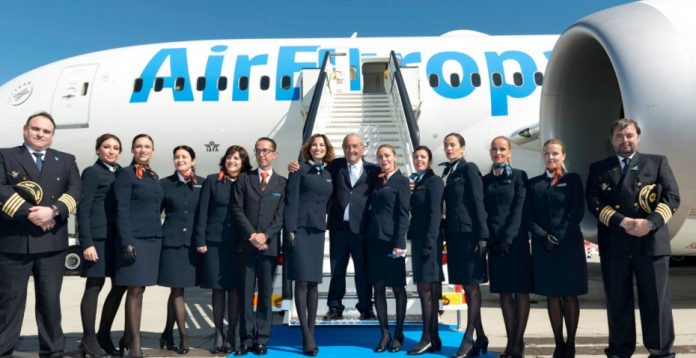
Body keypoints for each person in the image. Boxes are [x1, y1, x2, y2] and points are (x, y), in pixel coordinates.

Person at [586, 118, 679, 358]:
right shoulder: (599, 169)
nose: (624, 140)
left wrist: (650, 224)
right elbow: (594, 202)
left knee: (656, 304)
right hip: (615, 244)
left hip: (651, 243)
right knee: (618, 303)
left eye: (629, 135)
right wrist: (622, 221)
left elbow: (671, 197)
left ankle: (661, 352)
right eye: (619, 135)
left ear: (637, 137)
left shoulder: (657, 163)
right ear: (611, 139)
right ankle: (619, 350)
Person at [0, 112, 81, 358]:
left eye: (46, 131)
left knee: (50, 304)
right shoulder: (6, 155)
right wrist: (31, 214)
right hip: (14, 244)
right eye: (36, 129)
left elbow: (76, 190)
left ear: (52, 135)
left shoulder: (66, 160)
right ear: (25, 129)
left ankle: (52, 351)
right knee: (9, 304)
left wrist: (53, 211)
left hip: (51, 245)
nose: (40, 134)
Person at [526, 139, 587, 357]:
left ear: (563, 156)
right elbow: (528, 216)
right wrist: (543, 237)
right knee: (551, 296)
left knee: (570, 296)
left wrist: (558, 236)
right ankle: (558, 342)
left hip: (569, 246)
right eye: (547, 154)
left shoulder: (573, 180)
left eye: (555, 154)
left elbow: (577, 211)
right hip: (545, 248)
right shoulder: (533, 184)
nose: (550, 158)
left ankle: (570, 343)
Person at [232, 137, 287, 355]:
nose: (262, 154)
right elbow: (236, 209)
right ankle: (246, 338)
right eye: (258, 151)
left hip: (269, 247)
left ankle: (262, 338)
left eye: (266, 150)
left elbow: (281, 216)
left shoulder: (283, 183)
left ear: (274, 154)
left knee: (265, 294)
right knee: (246, 293)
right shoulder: (244, 180)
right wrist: (252, 235)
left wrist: (265, 236)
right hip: (247, 246)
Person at [194, 145, 251, 354]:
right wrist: (200, 239)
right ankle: (218, 332)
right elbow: (203, 212)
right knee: (217, 288)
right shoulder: (212, 180)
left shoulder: (248, 181)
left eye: (236, 158)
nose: (232, 161)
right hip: (215, 241)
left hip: (239, 243)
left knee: (235, 289)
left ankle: (231, 334)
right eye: (229, 158)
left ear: (243, 162)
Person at [77, 133, 128, 357]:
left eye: (115, 147)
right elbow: (83, 208)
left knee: (120, 286)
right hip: (97, 239)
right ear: (98, 149)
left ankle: (103, 335)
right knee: (94, 286)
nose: (111, 150)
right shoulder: (92, 172)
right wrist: (86, 242)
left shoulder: (121, 173)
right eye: (106, 147)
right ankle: (88, 339)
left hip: (116, 240)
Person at [113, 134, 164, 358]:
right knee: (134, 290)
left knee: (140, 289)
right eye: (139, 146)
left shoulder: (153, 176)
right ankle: (135, 345)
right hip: (135, 240)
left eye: (147, 147)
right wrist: (126, 242)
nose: (143, 150)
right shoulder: (125, 174)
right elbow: (121, 209)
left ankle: (127, 337)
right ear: (132, 150)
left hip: (152, 238)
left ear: (152, 151)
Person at [284, 134, 335, 356]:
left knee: (314, 283)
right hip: (301, 229)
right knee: (302, 281)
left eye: (321, 145)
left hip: (317, 231)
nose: (318, 148)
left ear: (326, 149)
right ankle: (306, 334)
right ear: (308, 148)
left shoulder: (328, 173)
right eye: (314, 145)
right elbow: (291, 199)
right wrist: (290, 230)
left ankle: (311, 331)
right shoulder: (299, 170)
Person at [440, 132, 489, 358]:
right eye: (446, 145)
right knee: (466, 286)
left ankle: (469, 337)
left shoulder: (469, 169)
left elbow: (478, 202)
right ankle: (481, 336)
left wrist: (483, 236)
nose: (449, 149)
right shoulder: (449, 172)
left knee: (472, 285)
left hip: (470, 236)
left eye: (453, 145)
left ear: (462, 147)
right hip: (455, 237)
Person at [482, 136, 531, 358]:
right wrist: (491, 239)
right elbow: (484, 212)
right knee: (503, 293)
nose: (498, 153)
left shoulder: (520, 176)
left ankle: (517, 344)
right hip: (495, 244)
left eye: (502, 149)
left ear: (510, 152)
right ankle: (510, 342)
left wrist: (508, 239)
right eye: (494, 149)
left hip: (516, 243)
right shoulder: (485, 180)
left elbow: (519, 209)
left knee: (520, 293)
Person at [157, 145, 204, 355]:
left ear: (193, 160)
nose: (180, 160)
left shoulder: (203, 183)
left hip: (193, 244)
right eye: (176, 157)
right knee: (177, 290)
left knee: (178, 290)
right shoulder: (164, 184)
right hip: (172, 243)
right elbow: (154, 213)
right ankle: (184, 336)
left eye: (184, 157)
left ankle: (167, 332)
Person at [366, 144, 411, 353]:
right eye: (380, 157)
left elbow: (403, 213)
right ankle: (384, 333)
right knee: (378, 288)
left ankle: (399, 332)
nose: (383, 159)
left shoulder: (401, 181)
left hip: (392, 242)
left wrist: (400, 242)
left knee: (397, 287)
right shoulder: (376, 181)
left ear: (395, 157)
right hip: (374, 241)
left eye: (387, 156)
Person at [405, 145, 444, 355]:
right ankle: (434, 336)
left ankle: (427, 337)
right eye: (416, 157)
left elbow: (435, 213)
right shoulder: (417, 182)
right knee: (429, 290)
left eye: (423, 157)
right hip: (420, 241)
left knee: (426, 291)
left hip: (429, 242)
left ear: (429, 160)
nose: (419, 160)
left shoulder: (434, 181)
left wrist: (430, 242)